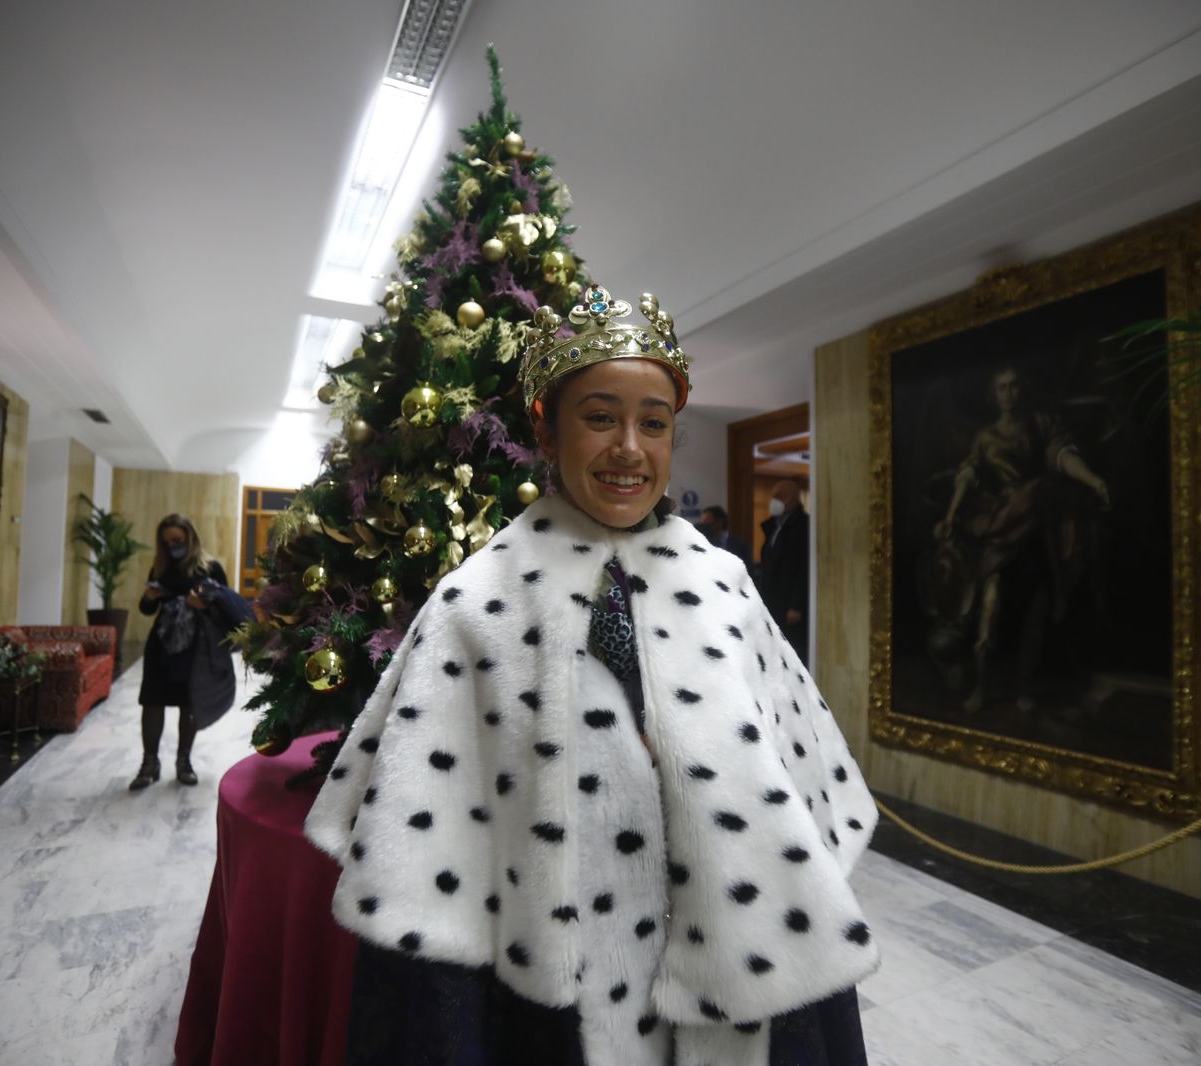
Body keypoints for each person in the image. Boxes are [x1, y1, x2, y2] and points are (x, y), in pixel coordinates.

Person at [306, 286, 877, 1066]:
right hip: (552, 1000)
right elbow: (421, 842)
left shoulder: (725, 585)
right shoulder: (478, 605)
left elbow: (796, 784)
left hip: (738, 981)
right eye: (601, 417)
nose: (629, 450)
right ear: (547, 428)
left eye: (654, 423)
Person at [933, 364, 1111, 714]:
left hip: (1036, 532)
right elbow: (968, 475)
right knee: (991, 607)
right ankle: (980, 687)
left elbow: (1063, 457)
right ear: (994, 394)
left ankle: (1023, 688)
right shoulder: (985, 438)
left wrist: (1096, 482)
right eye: (1002, 388)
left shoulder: (1040, 423)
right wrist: (951, 515)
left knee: (1035, 612)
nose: (1009, 393)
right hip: (1001, 527)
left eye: (1014, 386)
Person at [130, 514, 238, 789]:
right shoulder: (160, 568)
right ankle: (149, 763)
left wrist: (202, 605)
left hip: (196, 646)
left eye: (177, 540)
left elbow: (225, 607)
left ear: (190, 537)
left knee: (189, 702)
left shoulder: (210, 568)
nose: (173, 546)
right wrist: (149, 597)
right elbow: (146, 610)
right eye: (167, 542)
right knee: (151, 701)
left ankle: (183, 761)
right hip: (161, 644)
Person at [759, 480, 810, 665]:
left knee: (793, 649)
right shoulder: (774, 526)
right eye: (774, 497)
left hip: (789, 601)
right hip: (773, 597)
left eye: (780, 497)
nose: (775, 501)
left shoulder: (804, 526)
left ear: (794, 499)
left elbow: (804, 568)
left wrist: (796, 605)